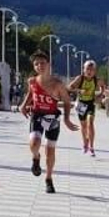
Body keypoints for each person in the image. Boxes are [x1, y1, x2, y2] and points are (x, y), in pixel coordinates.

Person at [20, 50, 78, 193]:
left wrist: (66, 119)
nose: (40, 66)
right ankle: (35, 157)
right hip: (37, 115)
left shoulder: (57, 84)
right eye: (36, 64)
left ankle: (49, 179)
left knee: (50, 151)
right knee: (34, 144)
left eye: (42, 63)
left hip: (53, 118)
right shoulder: (32, 81)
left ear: (48, 64)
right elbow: (31, 93)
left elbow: (66, 101)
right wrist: (24, 104)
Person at [68, 59, 101, 157]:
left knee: (90, 122)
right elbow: (69, 87)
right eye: (87, 69)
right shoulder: (80, 78)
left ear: (95, 71)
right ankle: (85, 144)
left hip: (90, 103)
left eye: (92, 69)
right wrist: (79, 90)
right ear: (84, 70)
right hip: (81, 104)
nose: (89, 72)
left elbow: (103, 87)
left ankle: (91, 147)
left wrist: (100, 94)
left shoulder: (96, 80)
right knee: (83, 126)